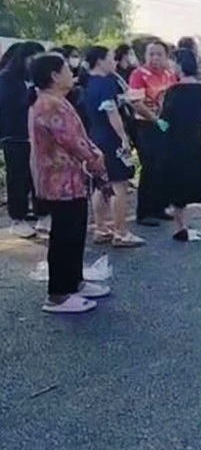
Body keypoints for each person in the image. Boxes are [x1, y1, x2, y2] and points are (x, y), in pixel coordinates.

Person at [28, 52, 112, 314]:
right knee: (64, 237)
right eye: (66, 67)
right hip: (60, 181)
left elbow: (77, 137)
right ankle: (58, 295)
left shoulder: (54, 101)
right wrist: (96, 160)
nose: (71, 71)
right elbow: (73, 142)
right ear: (54, 75)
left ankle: (74, 283)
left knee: (74, 233)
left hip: (70, 180)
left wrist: (93, 155)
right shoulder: (50, 104)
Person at [82, 46, 145, 248]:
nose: (114, 62)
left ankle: (101, 227)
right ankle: (121, 232)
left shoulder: (89, 82)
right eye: (110, 58)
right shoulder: (105, 83)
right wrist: (123, 137)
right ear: (100, 61)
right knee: (120, 184)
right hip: (110, 138)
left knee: (101, 184)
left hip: (95, 136)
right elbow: (112, 113)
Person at [161, 48, 201, 242]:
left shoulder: (173, 91)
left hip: (176, 142)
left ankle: (181, 227)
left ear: (179, 65)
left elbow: (165, 120)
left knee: (178, 185)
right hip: (196, 140)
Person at [0, 41, 49, 238]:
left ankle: (42, 214)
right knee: (18, 178)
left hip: (36, 135)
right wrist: (31, 96)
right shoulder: (6, 79)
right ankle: (17, 219)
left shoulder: (34, 79)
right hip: (15, 136)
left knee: (38, 176)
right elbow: (10, 106)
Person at [128, 39, 178, 226]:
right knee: (149, 166)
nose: (155, 58)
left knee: (163, 166)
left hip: (166, 125)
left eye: (159, 54)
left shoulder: (169, 74)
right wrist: (155, 119)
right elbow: (136, 102)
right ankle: (144, 212)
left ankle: (160, 207)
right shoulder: (138, 74)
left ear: (166, 56)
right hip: (146, 125)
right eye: (151, 54)